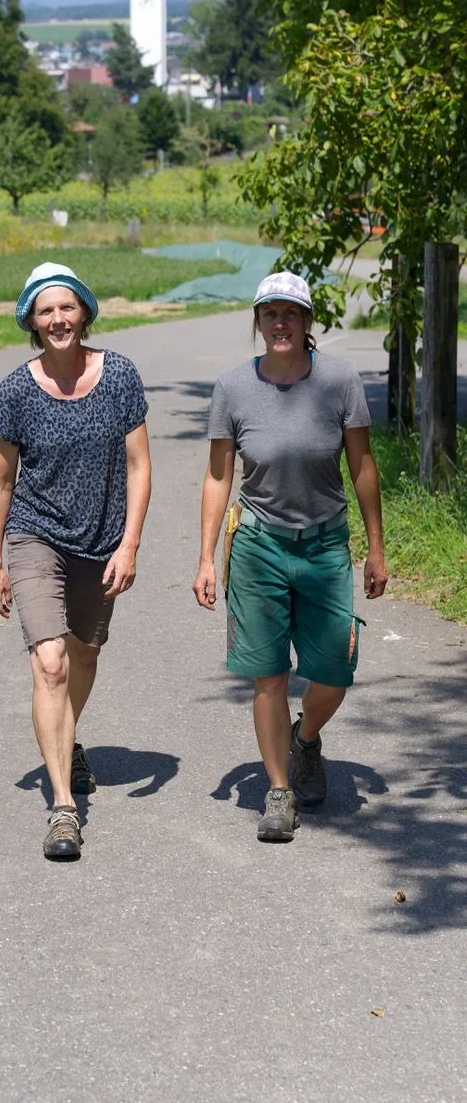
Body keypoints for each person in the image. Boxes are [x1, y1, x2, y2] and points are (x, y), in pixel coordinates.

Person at [192, 271, 387, 842]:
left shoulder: (340, 382)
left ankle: (305, 740)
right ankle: (279, 791)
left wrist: (376, 548)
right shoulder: (233, 388)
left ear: (307, 323)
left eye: (290, 313)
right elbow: (217, 475)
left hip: (326, 546)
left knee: (333, 674)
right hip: (258, 547)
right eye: (269, 313)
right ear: (258, 322)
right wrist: (206, 557)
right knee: (269, 676)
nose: (279, 323)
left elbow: (363, 465)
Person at [0, 262, 152, 860]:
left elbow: (138, 466)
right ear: (31, 320)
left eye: (67, 308)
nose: (58, 320)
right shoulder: (15, 390)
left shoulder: (120, 376)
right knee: (50, 662)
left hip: (102, 540)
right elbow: (1, 482)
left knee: (84, 653)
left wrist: (130, 542)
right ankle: (62, 806)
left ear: (84, 311)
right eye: (45, 311)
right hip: (35, 536)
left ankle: (65, 737)